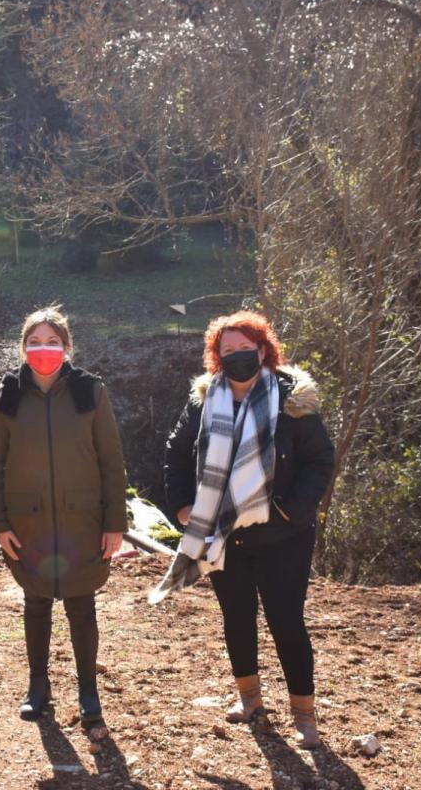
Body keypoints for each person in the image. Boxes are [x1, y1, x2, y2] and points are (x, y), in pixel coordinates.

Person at [157, 310, 335, 748]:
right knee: (236, 616)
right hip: (224, 533)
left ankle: (304, 715)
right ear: (216, 357)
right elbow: (176, 453)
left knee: (286, 621)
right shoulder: (203, 401)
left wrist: (290, 513)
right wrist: (182, 505)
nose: (237, 356)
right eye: (227, 350)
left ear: (263, 350)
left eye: (245, 348)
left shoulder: (293, 400)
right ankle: (250, 698)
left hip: (284, 535)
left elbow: (320, 461)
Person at [0, 306, 128, 725]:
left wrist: (115, 523)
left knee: (82, 605)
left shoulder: (91, 392)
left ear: (67, 347)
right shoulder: (5, 395)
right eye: (35, 342)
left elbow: (111, 462)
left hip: (84, 521)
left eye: (52, 342)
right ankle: (37, 687)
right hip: (29, 523)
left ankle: (88, 692)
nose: (43, 349)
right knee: (36, 601)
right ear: (23, 347)